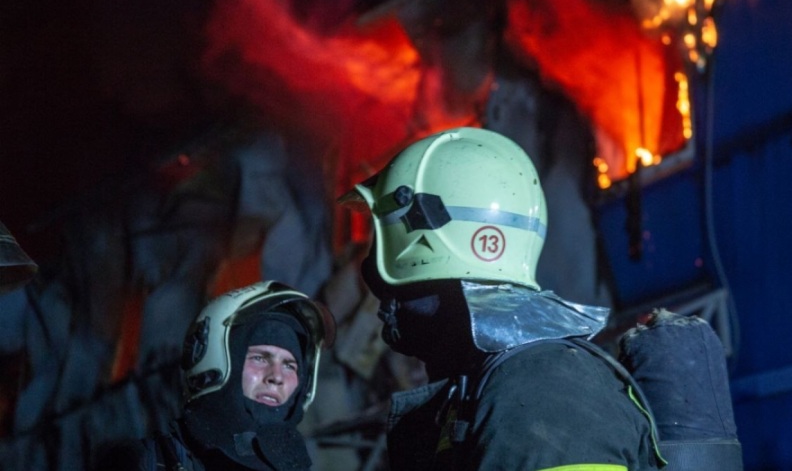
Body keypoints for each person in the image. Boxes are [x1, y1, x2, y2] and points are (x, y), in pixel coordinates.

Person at [340, 126, 664, 470]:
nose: (371, 276)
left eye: (382, 241)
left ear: (428, 241)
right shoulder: (492, 381)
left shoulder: (544, 390)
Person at [94, 280, 335, 470]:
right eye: (260, 358)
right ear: (214, 358)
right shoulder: (142, 463)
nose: (276, 377)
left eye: (290, 366)